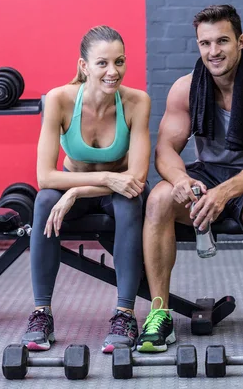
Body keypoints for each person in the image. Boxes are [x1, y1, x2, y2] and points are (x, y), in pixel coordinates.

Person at [136, 5, 243, 359]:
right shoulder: (186, 87)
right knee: (158, 198)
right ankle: (160, 313)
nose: (213, 51)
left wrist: (224, 192)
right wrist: (181, 179)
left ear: (241, 42)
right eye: (205, 43)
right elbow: (165, 150)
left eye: (222, 41)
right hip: (207, 171)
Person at [21, 25, 151, 353]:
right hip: (77, 187)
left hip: (113, 194)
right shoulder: (59, 99)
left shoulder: (137, 102)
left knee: (129, 202)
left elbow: (134, 178)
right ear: (84, 66)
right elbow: (45, 177)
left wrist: (80, 190)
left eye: (120, 62)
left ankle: (124, 313)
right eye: (102, 63)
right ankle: (41, 313)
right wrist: (106, 179)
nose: (113, 71)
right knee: (44, 201)